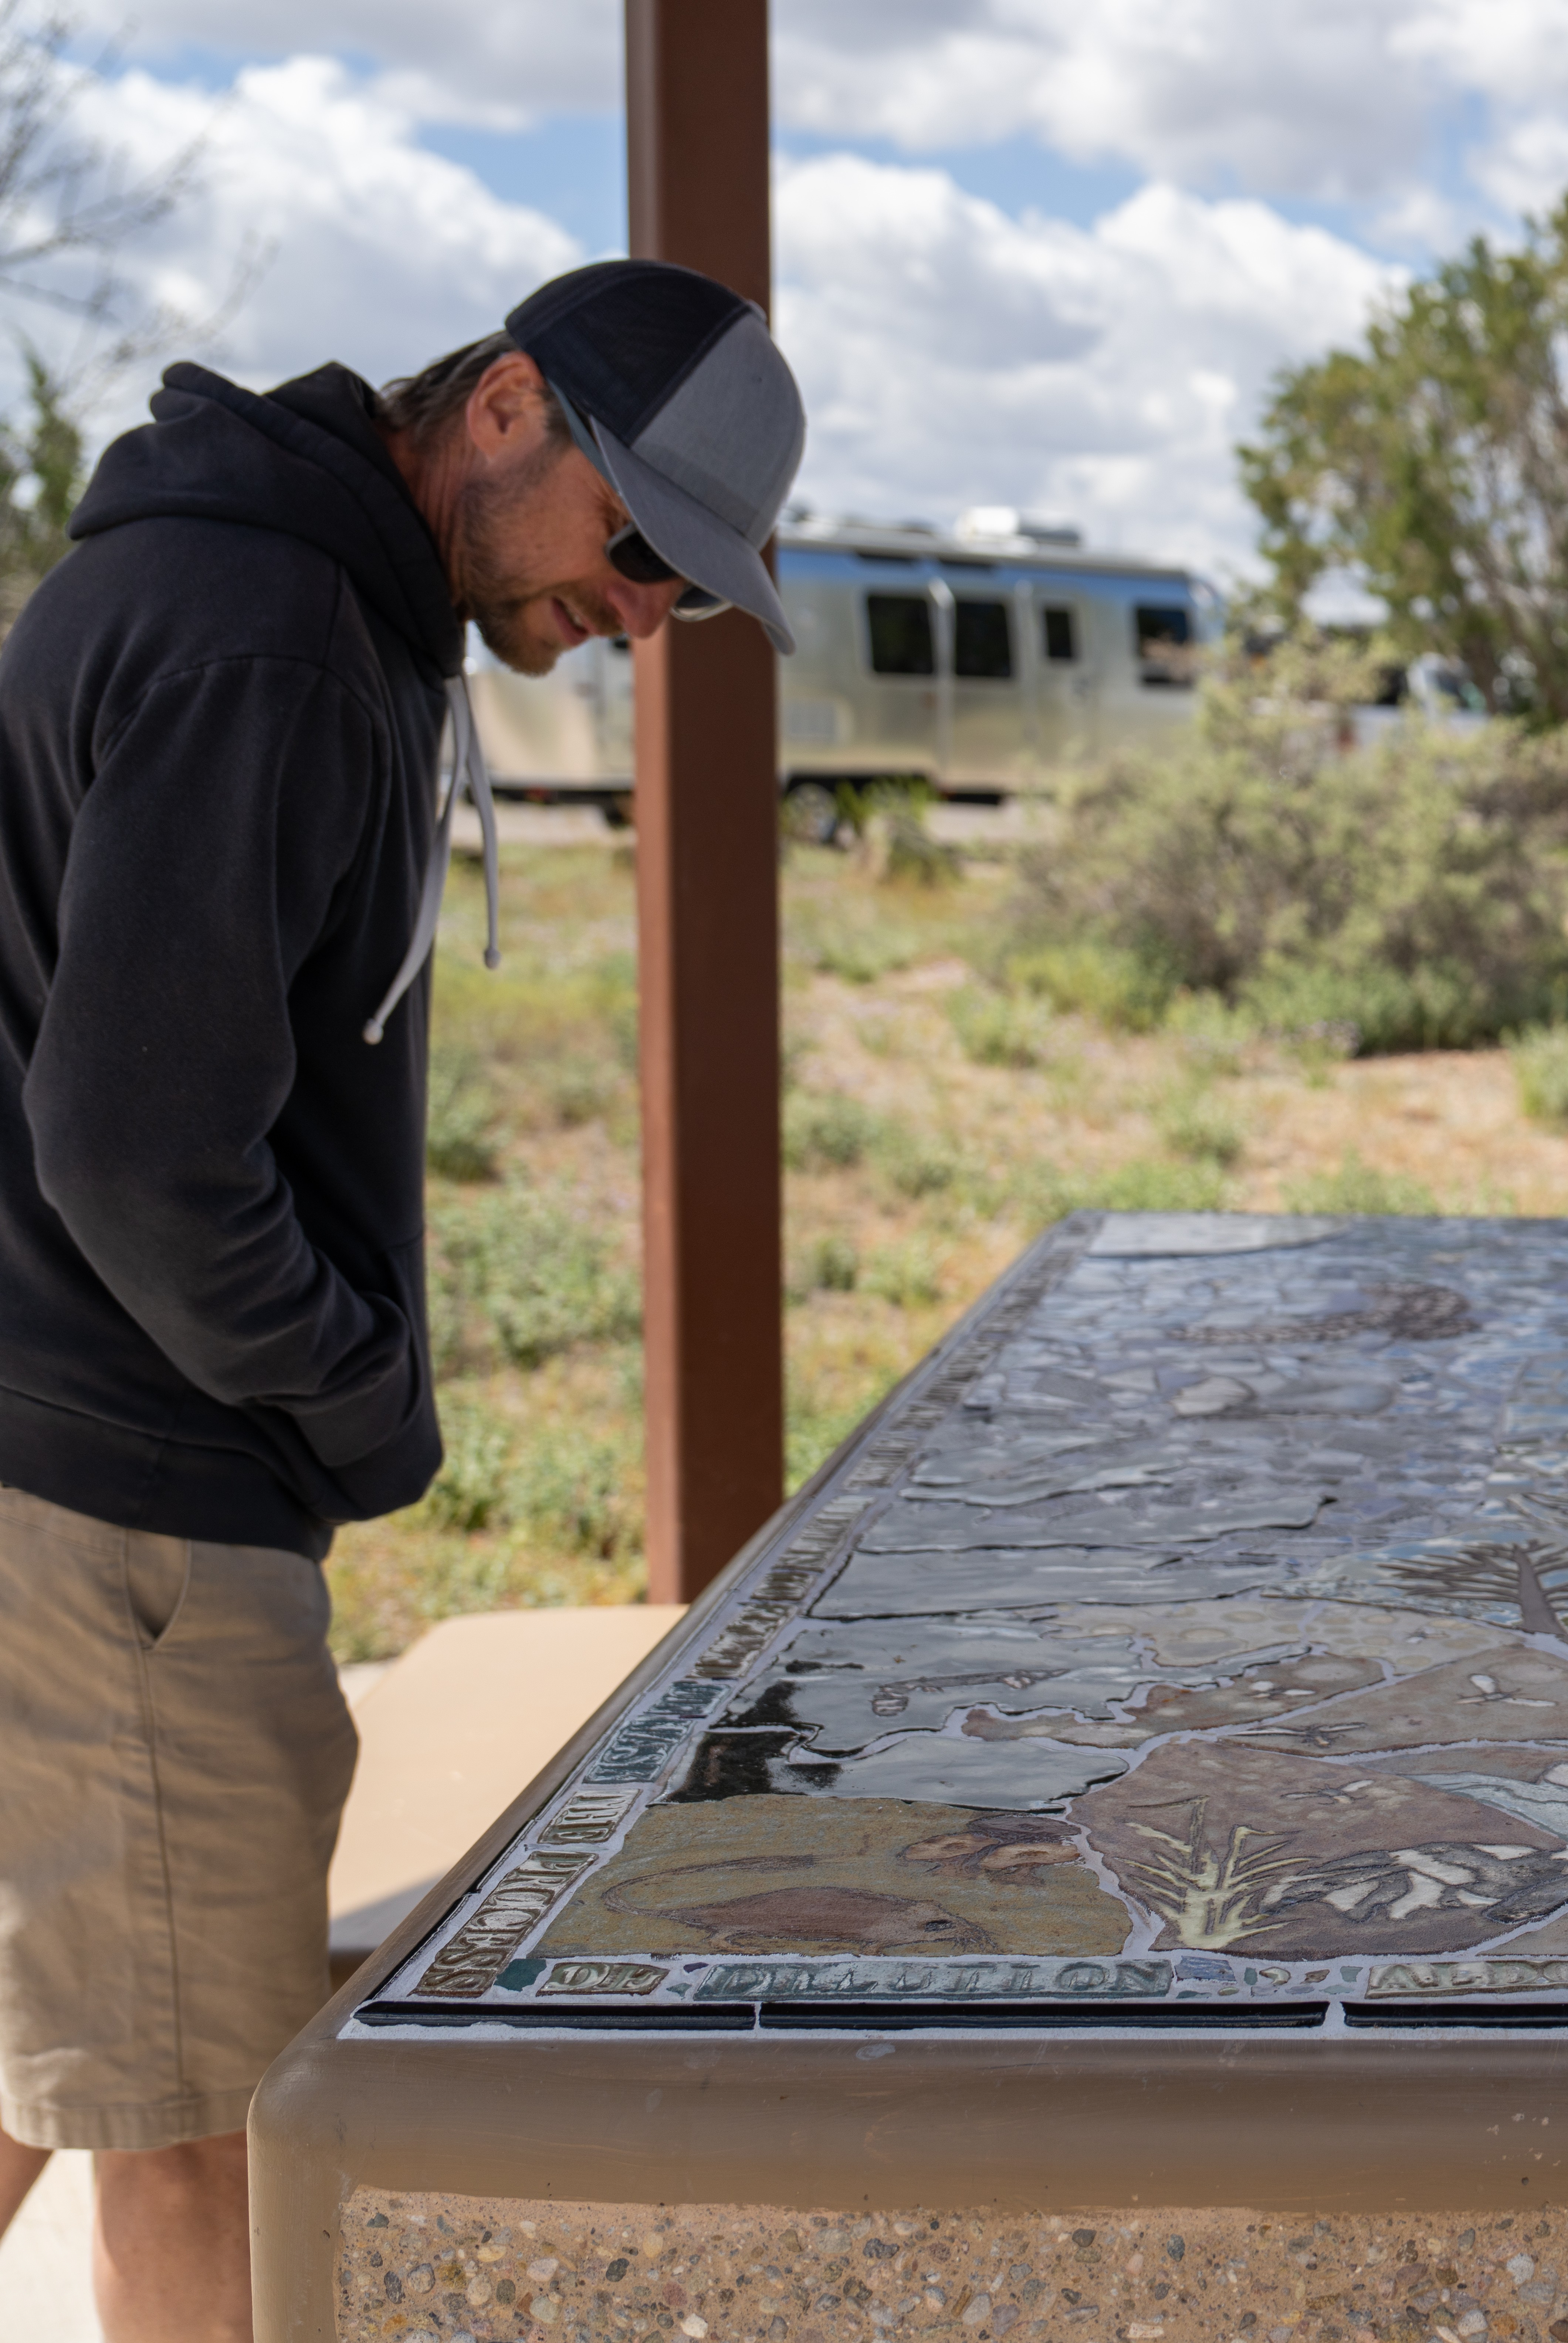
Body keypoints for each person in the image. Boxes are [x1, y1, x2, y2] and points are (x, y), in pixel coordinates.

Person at [0, 259, 803, 2339]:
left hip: (57, 1466)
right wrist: (361, 1402)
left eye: (690, 596)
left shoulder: (271, 596)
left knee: (58, 2031)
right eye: (644, 550)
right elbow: (141, 1156)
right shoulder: (267, 639)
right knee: (195, 2126)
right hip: (126, 1499)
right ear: (509, 408)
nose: (644, 622)